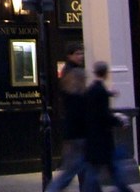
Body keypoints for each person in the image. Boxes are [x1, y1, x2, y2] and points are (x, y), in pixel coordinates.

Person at [82, 61, 133, 192]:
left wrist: (109, 94)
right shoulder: (101, 92)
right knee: (110, 169)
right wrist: (119, 122)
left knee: (96, 170)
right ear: (105, 74)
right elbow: (104, 115)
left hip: (92, 137)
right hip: (102, 138)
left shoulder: (91, 90)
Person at [47, 44, 87, 191]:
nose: (80, 57)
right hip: (77, 131)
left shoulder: (69, 72)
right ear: (69, 56)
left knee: (82, 170)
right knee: (72, 171)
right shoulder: (74, 74)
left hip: (75, 129)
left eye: (81, 53)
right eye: (77, 54)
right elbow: (78, 102)